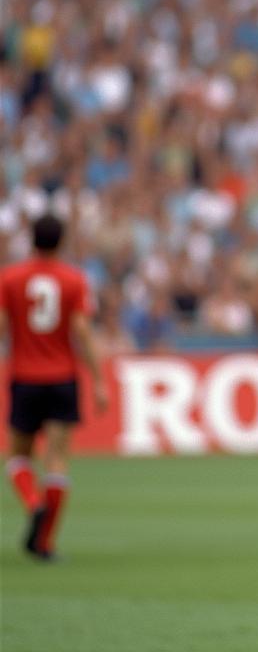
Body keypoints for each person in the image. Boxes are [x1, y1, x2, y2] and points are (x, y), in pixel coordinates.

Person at [1, 214, 109, 560]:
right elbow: (82, 331)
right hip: (62, 377)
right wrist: (99, 380)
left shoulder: (10, 279)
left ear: (31, 239)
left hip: (25, 377)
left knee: (18, 456)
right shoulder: (73, 280)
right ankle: (45, 543)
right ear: (61, 242)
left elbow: (2, 326)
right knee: (58, 460)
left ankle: (33, 503)